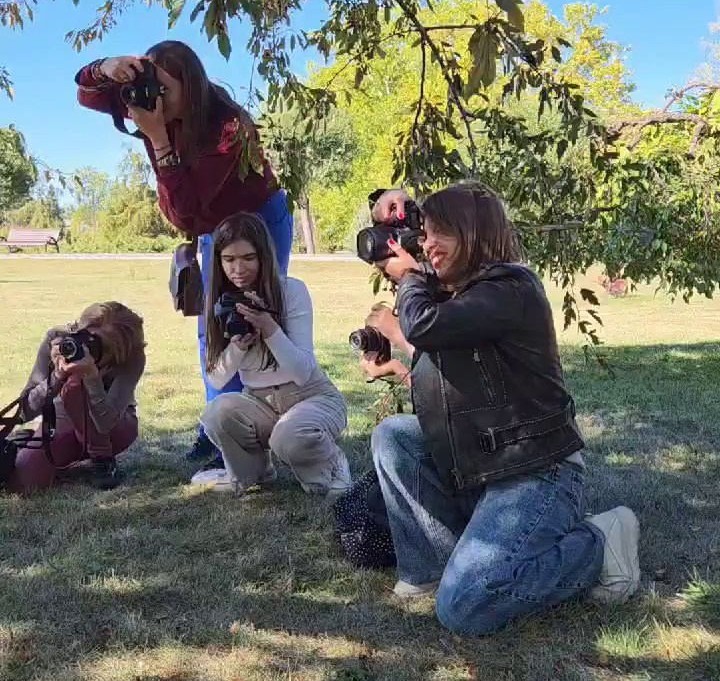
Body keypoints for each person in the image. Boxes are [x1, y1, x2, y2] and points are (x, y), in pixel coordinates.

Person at [363, 182, 640, 635]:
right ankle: (429, 567)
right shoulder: (463, 293)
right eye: (424, 234)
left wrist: (410, 278)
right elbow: (442, 369)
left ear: (473, 233)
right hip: (486, 464)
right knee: (394, 435)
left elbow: (424, 326)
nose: (426, 244)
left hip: (538, 470)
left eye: (438, 234)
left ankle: (599, 544)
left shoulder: (510, 287)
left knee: (465, 607)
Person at [75, 42, 293, 465]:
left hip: (259, 219)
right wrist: (109, 66)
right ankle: (217, 427)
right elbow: (85, 92)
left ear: (192, 89)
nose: (153, 98)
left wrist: (157, 138)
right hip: (211, 227)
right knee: (210, 327)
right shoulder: (146, 100)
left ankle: (273, 421)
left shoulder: (227, 126)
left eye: (165, 89)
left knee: (255, 314)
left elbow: (185, 212)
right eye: (149, 85)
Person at [192, 212, 351, 498]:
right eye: (228, 260)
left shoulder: (291, 291)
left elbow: (302, 371)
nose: (238, 269)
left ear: (264, 255)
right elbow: (216, 379)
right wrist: (238, 347)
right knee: (216, 413)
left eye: (248, 258)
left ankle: (332, 466)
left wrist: (270, 328)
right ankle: (251, 474)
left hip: (311, 396)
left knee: (294, 447)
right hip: (260, 400)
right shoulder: (220, 302)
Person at [8, 302, 145, 494]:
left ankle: (102, 459)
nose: (87, 347)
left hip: (115, 428)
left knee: (75, 387)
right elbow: (24, 412)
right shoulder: (58, 339)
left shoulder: (132, 356)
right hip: (62, 421)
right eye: (85, 337)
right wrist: (56, 376)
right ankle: (31, 440)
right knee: (26, 484)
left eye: (100, 346)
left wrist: (91, 376)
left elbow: (106, 423)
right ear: (77, 329)